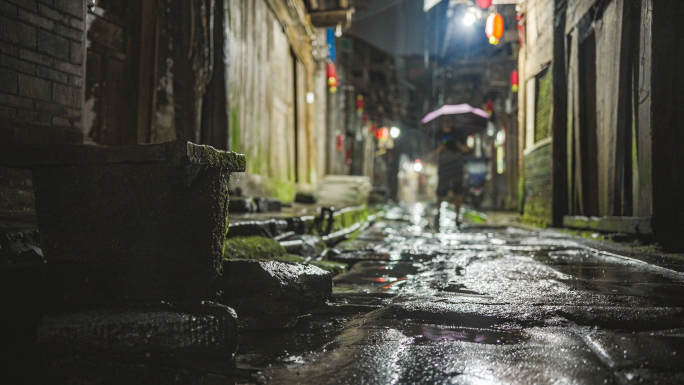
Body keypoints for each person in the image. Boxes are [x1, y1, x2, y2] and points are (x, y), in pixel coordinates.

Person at [427, 116, 471, 229]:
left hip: (457, 165)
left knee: (458, 191)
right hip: (444, 165)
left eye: (449, 121)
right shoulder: (437, 134)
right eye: (445, 121)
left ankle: (457, 216)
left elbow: (467, 149)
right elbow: (431, 154)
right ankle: (438, 214)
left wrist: (459, 146)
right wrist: (439, 149)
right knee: (441, 191)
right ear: (442, 122)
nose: (447, 123)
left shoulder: (459, 133)